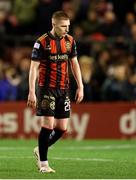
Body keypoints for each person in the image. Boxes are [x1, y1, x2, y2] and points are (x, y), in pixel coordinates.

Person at [27, 11, 84, 173]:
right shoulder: (41, 42)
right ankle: (43, 164)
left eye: (68, 26)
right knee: (48, 125)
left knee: (62, 128)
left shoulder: (70, 41)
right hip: (46, 88)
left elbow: (75, 63)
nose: (66, 29)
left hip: (64, 89)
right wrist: (32, 91)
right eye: (63, 26)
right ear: (54, 25)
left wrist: (81, 85)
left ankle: (40, 149)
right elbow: (33, 68)